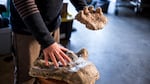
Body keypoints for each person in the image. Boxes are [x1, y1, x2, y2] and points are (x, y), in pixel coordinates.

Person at [10, 0, 87, 84]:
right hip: (27, 30)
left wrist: (83, 8)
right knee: (27, 76)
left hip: (52, 25)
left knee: (52, 72)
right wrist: (47, 41)